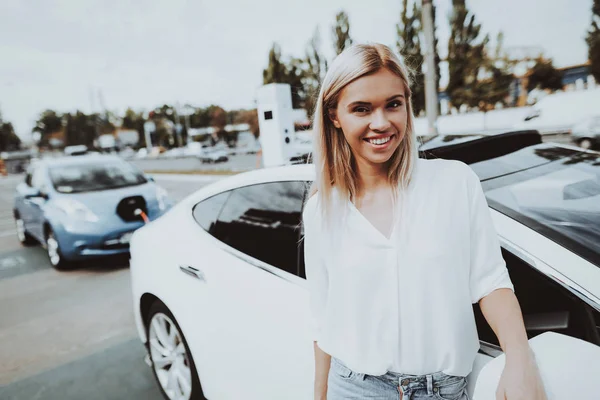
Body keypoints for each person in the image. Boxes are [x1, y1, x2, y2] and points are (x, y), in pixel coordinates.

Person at [302, 43, 547, 400]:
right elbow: (322, 320)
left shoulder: (454, 182)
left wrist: (520, 360)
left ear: (407, 105)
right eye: (361, 109)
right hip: (353, 388)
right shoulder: (322, 210)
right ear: (335, 116)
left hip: (443, 391)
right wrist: (319, 394)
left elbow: (489, 280)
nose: (381, 122)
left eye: (393, 104)